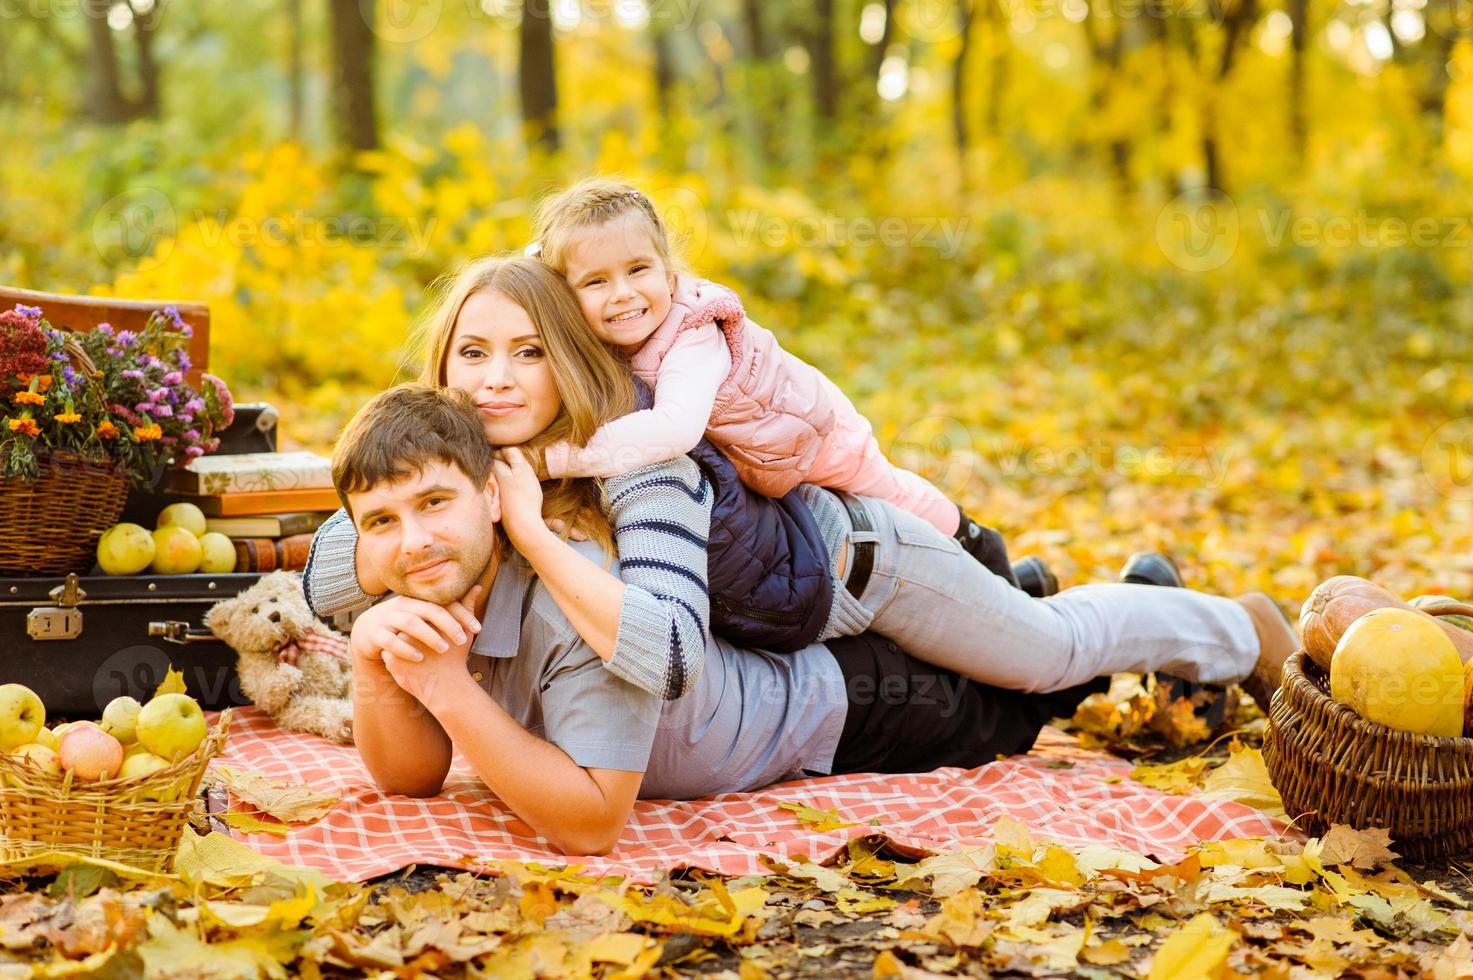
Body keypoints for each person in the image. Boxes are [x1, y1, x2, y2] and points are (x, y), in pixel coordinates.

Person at [336, 384, 1298, 855]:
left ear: (497, 500)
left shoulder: (569, 606)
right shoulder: (419, 597)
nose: (410, 540)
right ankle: (1083, 593)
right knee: (1026, 651)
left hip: (854, 705)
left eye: (433, 504)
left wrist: (452, 695)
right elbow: (411, 777)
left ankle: (1230, 628)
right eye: (380, 522)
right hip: (815, 651)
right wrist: (382, 671)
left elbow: (591, 825)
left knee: (1032, 686)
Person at [305, 256, 1294, 708]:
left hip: (863, 566)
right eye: (470, 352)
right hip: (785, 620)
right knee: (1001, 657)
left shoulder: (635, 450)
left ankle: (1241, 627)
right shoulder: (457, 460)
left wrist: (521, 523)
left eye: (526, 352)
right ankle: (1035, 582)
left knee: (1043, 653)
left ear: (568, 360)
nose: (492, 379)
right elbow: (332, 573)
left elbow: (666, 655)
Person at [529, 177, 1001, 559]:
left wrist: (556, 459)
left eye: (638, 270)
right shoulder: (602, 334)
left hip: (807, 430)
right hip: (758, 449)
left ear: (669, 271)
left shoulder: (691, 333)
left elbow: (674, 428)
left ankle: (972, 539)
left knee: (887, 498)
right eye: (595, 281)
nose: (623, 293)